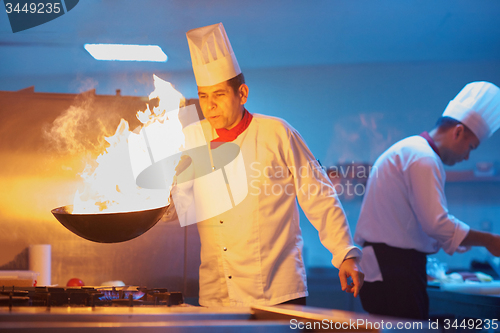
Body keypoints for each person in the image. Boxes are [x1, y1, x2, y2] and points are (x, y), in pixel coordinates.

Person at [165, 22, 364, 307]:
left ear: (242, 94)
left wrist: (346, 253)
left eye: (219, 95)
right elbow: (178, 206)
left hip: (277, 292)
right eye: (203, 96)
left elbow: (318, 194)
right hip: (217, 294)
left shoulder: (277, 133)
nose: (209, 106)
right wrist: (152, 196)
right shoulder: (191, 138)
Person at [354, 81, 500, 320]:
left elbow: (415, 221)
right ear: (458, 131)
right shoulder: (423, 157)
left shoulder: (411, 150)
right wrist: (490, 240)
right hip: (396, 270)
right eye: (470, 147)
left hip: (387, 267)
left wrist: (453, 239)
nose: (466, 156)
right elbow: (436, 223)